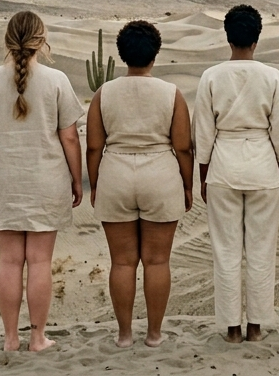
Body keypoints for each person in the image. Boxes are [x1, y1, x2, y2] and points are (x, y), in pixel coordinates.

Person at [0, 11, 84, 353]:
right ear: (42, 41)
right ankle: (37, 338)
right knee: (40, 262)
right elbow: (70, 138)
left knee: (9, 262)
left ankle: (10, 339)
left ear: (7, 41)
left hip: (3, 182)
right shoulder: (57, 80)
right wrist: (77, 180)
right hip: (46, 183)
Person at [192, 4, 279, 344]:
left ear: (228, 37)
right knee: (262, 249)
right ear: (257, 39)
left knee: (226, 251)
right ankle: (256, 326)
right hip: (263, 167)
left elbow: (203, 133)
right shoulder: (272, 77)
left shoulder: (211, 76)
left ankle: (232, 329)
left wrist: (204, 175)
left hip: (223, 165)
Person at [86, 20, 194, 348]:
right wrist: (187, 185)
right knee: (157, 261)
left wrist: (96, 184)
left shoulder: (103, 94)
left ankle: (124, 335)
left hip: (116, 173)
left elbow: (93, 146)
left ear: (121, 54)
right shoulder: (171, 94)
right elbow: (183, 147)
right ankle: (154, 334)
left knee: (122, 262)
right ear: (155, 54)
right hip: (160, 174)